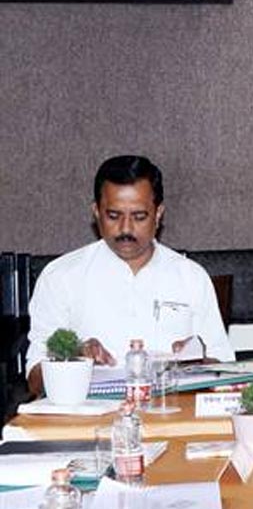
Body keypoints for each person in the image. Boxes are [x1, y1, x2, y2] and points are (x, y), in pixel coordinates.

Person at [26, 155, 234, 395]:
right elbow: (34, 381)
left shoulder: (191, 277)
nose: (125, 229)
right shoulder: (61, 277)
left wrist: (197, 362)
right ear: (96, 212)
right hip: (92, 415)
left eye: (139, 217)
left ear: (158, 214)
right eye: (113, 216)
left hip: (171, 411)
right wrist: (73, 359)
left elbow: (226, 371)